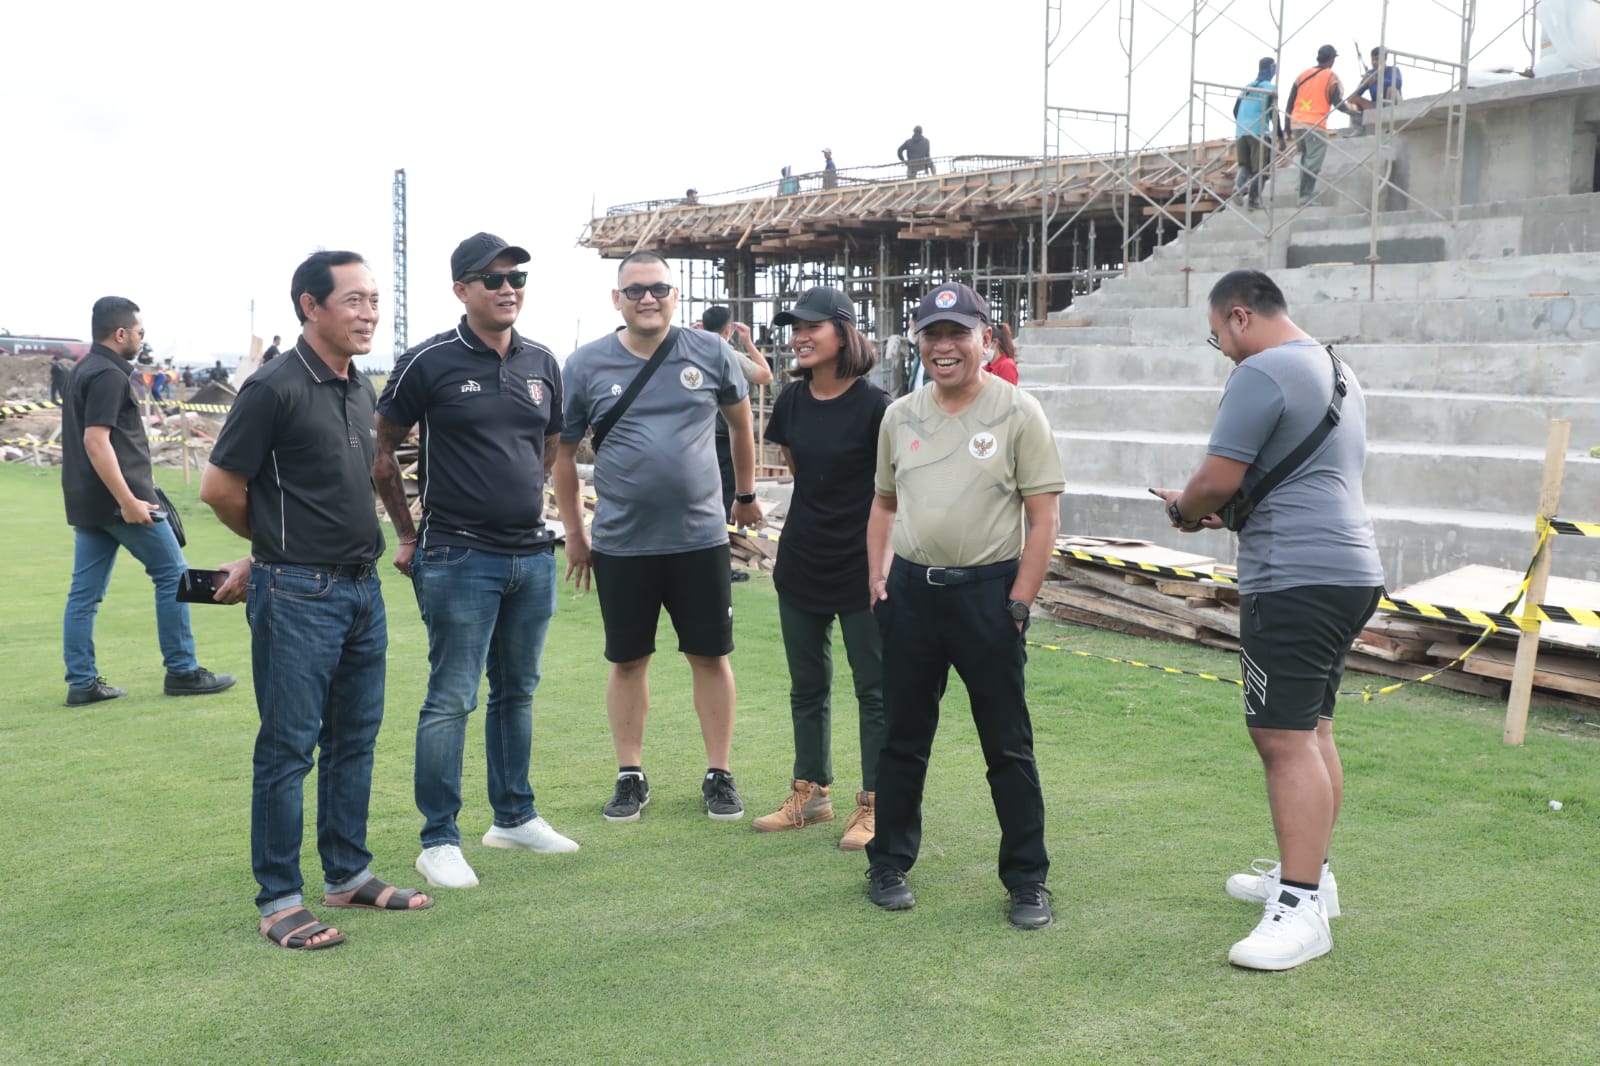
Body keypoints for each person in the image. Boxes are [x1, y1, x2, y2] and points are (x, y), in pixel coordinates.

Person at [1152, 269, 1384, 971]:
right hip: (1349, 570)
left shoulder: (1262, 371)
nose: (1221, 347)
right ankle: (1309, 874)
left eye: (1217, 333)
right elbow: (1298, 478)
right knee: (1312, 729)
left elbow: (1217, 479)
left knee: (1281, 740)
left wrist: (1183, 509)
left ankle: (1301, 906)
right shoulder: (1337, 369)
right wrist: (1228, 508)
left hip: (1295, 577)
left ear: (1241, 317)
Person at [202, 250, 433, 951]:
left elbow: (336, 484)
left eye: (374, 300)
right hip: (298, 592)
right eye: (354, 300)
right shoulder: (272, 388)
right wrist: (273, 550)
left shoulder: (361, 388)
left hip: (361, 589)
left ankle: (347, 875)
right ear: (310, 305)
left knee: (353, 741)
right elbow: (219, 488)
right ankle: (278, 901)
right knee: (287, 749)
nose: (369, 313)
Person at [371, 232, 577, 891]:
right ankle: (438, 840)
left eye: (516, 276)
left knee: (517, 691)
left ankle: (514, 816)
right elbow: (382, 454)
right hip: (457, 554)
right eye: (492, 278)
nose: (508, 286)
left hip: (530, 556)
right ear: (462, 289)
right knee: (452, 696)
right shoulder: (427, 361)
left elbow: (547, 450)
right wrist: (406, 534)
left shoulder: (543, 362)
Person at [863, 282, 1064, 930]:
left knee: (1007, 745)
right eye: (932, 334)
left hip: (988, 596)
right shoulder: (900, 415)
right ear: (918, 341)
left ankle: (1027, 879)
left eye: (957, 333)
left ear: (985, 336)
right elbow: (884, 503)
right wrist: (879, 577)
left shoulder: (1018, 412)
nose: (943, 346)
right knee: (902, 740)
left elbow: (1044, 517)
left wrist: (1019, 602)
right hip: (913, 597)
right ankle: (887, 862)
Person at [553, 251, 763, 824]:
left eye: (659, 289)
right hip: (622, 543)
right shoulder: (585, 365)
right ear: (616, 299)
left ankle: (719, 773)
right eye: (635, 290)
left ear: (675, 295)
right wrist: (574, 533)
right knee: (627, 660)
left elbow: (742, 426)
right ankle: (630, 774)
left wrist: (744, 495)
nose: (648, 298)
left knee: (710, 656)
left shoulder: (711, 351)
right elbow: (563, 458)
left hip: (700, 539)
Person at [754, 287, 889, 850]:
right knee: (807, 687)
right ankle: (811, 795)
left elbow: (889, 493)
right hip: (802, 562)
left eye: (811, 326)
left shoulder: (879, 407)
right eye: (793, 327)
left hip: (864, 567)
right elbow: (803, 478)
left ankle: (880, 802)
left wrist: (880, 563)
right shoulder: (789, 401)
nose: (799, 337)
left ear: (844, 332)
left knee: (876, 690)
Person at [59, 296, 237, 707]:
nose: (142, 339)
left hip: (88, 502)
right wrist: (129, 500)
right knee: (174, 575)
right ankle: (183, 671)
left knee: (84, 594)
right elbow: (95, 440)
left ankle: (82, 682)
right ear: (121, 333)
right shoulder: (109, 374)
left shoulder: (83, 369)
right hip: (122, 502)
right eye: (140, 332)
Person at [699, 304, 774, 576]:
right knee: (725, 501)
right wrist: (748, 342)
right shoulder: (724, 351)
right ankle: (720, 567)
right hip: (724, 437)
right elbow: (766, 375)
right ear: (728, 329)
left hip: (700, 437)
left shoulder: (692, 349)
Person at [1284, 45, 1356, 207]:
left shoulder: (1302, 75)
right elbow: (1338, 103)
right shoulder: (1330, 76)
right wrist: (1355, 114)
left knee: (1305, 159)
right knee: (1313, 162)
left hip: (1296, 123)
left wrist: (1286, 128)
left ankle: (1303, 194)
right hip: (1314, 125)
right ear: (1331, 59)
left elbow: (1290, 103)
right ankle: (1304, 197)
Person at [1234, 57, 1281, 210]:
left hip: (1241, 132)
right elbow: (1275, 114)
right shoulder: (1270, 88)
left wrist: (1243, 124)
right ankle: (1253, 202)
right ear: (1272, 69)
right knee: (1261, 169)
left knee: (1245, 165)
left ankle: (1238, 187)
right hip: (1259, 132)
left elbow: (1235, 110)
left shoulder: (1247, 87)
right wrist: (1280, 136)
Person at [1347, 46, 1403, 132]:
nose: (1374, 62)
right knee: (1353, 99)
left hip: (1392, 105)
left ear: (1385, 59)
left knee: (1392, 89)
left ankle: (1388, 124)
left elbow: (1398, 83)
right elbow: (1355, 95)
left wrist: (1376, 80)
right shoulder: (1370, 73)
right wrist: (1363, 82)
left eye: (1377, 59)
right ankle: (1358, 128)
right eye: (1372, 60)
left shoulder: (1393, 70)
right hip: (1375, 107)